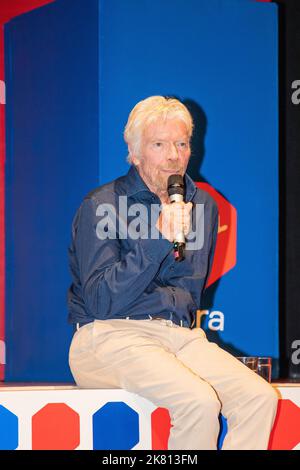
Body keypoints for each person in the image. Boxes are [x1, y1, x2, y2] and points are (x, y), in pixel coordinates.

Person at [67, 96, 278, 450]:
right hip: (106, 336)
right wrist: (157, 240)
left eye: (181, 143)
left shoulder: (202, 206)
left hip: (178, 335)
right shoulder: (102, 206)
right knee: (199, 402)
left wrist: (156, 290)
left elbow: (187, 296)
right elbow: (102, 301)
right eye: (159, 144)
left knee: (259, 398)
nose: (173, 156)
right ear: (134, 154)